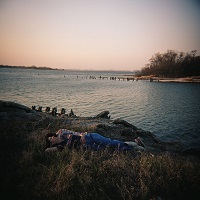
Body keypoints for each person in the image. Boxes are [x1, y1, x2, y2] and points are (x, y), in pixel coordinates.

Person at [44, 129, 146, 153]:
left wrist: (82, 135)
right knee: (110, 150)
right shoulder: (61, 146)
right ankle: (137, 148)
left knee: (110, 143)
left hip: (90, 137)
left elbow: (76, 132)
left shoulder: (62, 133)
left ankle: (136, 143)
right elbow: (47, 150)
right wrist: (48, 147)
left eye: (50, 137)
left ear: (53, 135)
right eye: (50, 140)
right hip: (89, 147)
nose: (51, 139)